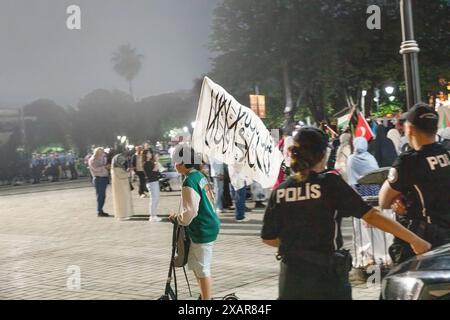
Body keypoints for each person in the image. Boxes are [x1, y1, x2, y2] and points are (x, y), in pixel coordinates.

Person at [261, 127, 431, 300]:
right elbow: (371, 215)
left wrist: (296, 247)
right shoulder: (329, 184)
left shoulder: (280, 191)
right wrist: (415, 240)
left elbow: (268, 237)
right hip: (326, 278)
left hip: (291, 279)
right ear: (322, 154)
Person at [379, 103, 450, 264]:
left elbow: (383, 200)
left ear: (409, 128)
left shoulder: (408, 161)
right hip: (445, 233)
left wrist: (397, 197)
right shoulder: (445, 153)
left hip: (421, 239)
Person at [169, 145, 220, 300]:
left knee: (202, 269)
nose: (175, 165)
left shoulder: (189, 181)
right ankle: (205, 296)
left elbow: (191, 211)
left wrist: (177, 219)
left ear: (183, 163)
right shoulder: (199, 175)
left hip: (201, 228)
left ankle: (206, 300)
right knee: (198, 266)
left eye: (176, 162)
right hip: (207, 225)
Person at [111, 149, 134, 220]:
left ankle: (125, 214)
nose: (123, 162)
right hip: (120, 188)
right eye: (122, 161)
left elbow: (123, 174)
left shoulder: (119, 167)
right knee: (121, 201)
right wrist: (129, 173)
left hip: (122, 187)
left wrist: (127, 171)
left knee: (124, 200)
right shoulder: (116, 168)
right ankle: (121, 216)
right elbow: (121, 176)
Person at [88, 148, 110, 217]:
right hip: (99, 178)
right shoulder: (93, 160)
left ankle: (100, 210)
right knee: (100, 196)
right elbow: (96, 169)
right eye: (101, 152)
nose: (102, 153)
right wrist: (105, 167)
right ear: (96, 152)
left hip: (104, 177)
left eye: (102, 152)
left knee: (103, 196)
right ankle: (99, 211)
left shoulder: (102, 158)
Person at [143, 150, 162, 222]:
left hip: (154, 181)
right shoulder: (146, 163)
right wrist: (156, 161)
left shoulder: (149, 162)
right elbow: (153, 171)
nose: (150, 154)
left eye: (150, 153)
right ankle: (152, 216)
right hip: (152, 182)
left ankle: (154, 215)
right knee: (154, 199)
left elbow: (156, 170)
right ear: (145, 155)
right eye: (148, 153)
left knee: (155, 199)